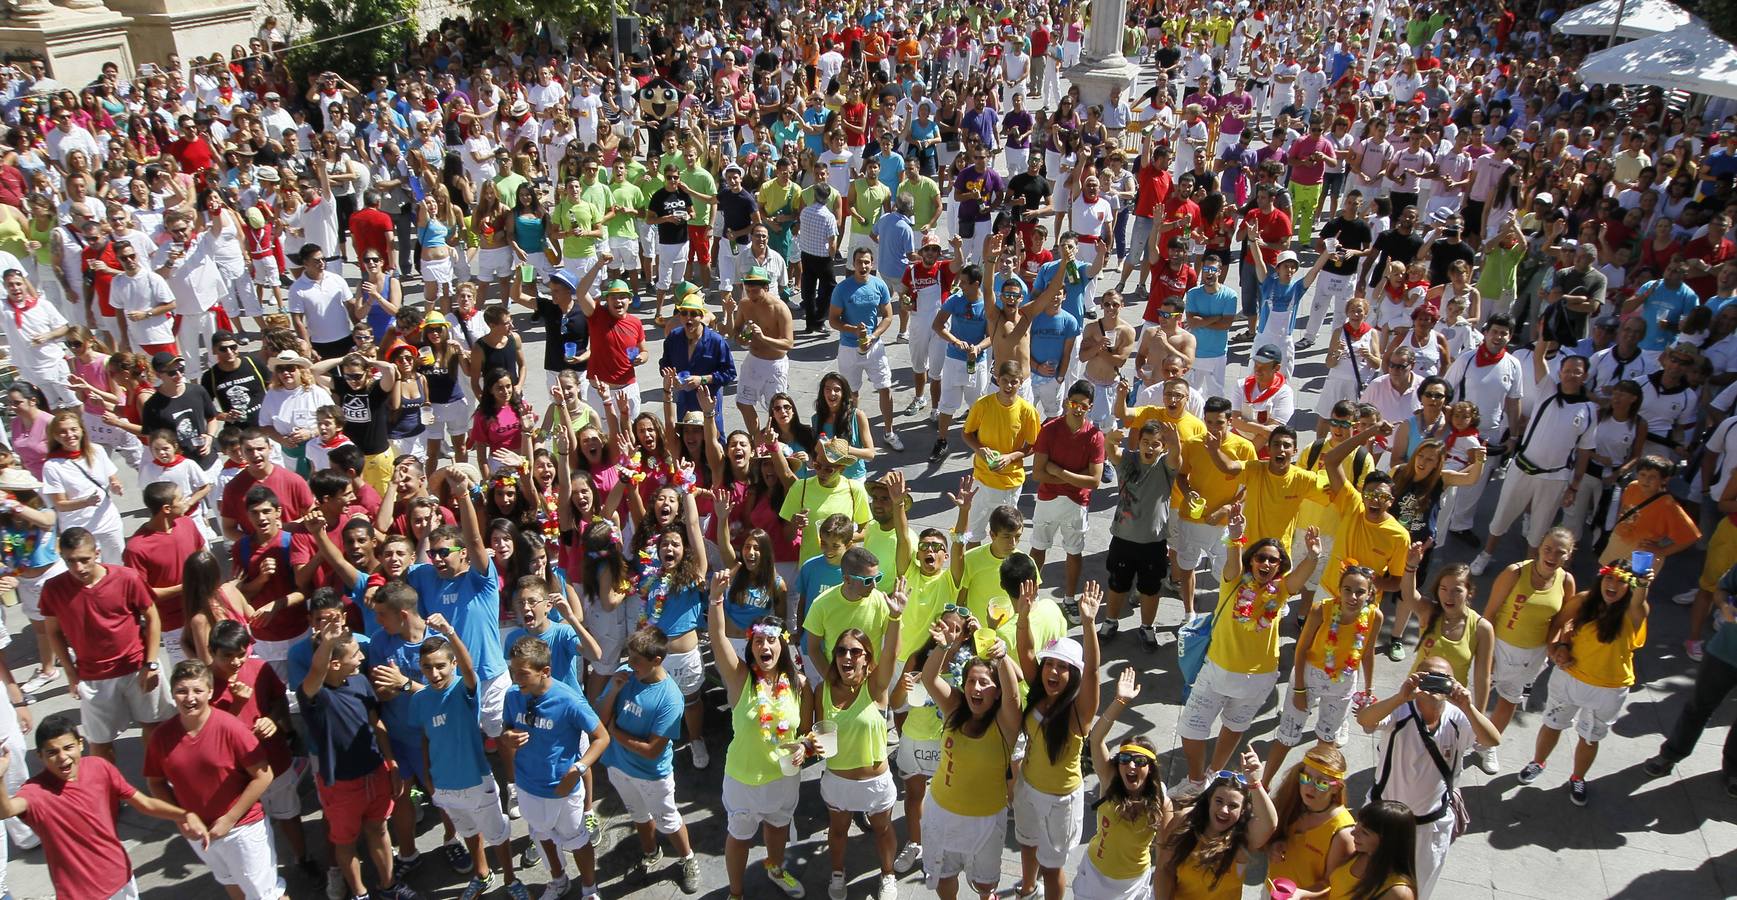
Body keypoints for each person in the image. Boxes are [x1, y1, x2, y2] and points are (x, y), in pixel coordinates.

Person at [1174, 510, 1320, 801]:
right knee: (1190, 727)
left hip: (1258, 679)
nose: (1265, 563)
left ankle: (1213, 774)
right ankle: (1194, 779)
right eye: (1260, 558)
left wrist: (1313, 555)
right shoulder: (1233, 580)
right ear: (1251, 560)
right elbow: (1232, 559)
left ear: (1280, 567)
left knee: (1234, 727)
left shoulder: (1279, 591)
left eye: (1273, 560)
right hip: (1216, 670)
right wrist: (1237, 533)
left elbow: (1299, 579)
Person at [0, 713, 209, 900]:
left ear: (80, 744)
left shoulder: (99, 767)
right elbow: (6, 811)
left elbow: (143, 803)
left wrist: (184, 814)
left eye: (68, 747)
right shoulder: (35, 792)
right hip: (80, 894)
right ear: (40, 756)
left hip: (122, 876)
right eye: (52, 752)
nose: (62, 757)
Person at [297, 619, 423, 900]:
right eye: (354, 655)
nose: (362, 658)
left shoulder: (360, 681)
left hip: (375, 774)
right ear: (333, 664)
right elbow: (316, 671)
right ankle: (360, 893)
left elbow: (376, 723)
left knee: (378, 830)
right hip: (341, 785)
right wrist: (328, 642)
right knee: (346, 842)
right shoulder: (315, 696)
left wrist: (390, 763)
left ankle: (389, 887)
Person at [1356, 656, 1500, 900]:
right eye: (1427, 677)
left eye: (1442, 679)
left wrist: (1469, 706)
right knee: (1365, 882)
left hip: (1429, 829)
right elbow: (1365, 719)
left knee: (1416, 890)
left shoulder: (1458, 718)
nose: (1434, 685)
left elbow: (1491, 740)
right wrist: (1401, 695)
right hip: (1383, 824)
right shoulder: (1400, 710)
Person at [143, 660, 283, 900]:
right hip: (200, 834)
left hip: (242, 830)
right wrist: (180, 818)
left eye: (197, 690)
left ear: (210, 692)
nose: (190, 698)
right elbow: (155, 781)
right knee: (231, 884)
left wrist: (229, 819)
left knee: (267, 895)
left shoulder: (231, 728)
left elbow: (263, 775)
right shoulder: (162, 737)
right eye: (182, 691)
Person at [1516, 561, 1652, 806]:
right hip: (1568, 678)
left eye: (1622, 581)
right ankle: (1537, 762)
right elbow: (1558, 625)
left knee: (1590, 737)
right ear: (1601, 579)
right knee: (1552, 724)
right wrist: (1558, 648)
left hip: (1609, 689)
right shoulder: (1583, 601)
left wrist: (1642, 585)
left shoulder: (1633, 612)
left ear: (1630, 587)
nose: (1613, 585)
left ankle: (1578, 778)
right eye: (1610, 578)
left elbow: (1639, 604)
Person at [41, 527, 174, 764]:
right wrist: (71, 674)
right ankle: (110, 794)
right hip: (93, 677)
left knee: (155, 728)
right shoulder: (53, 589)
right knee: (100, 744)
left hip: (137, 668)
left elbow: (152, 617)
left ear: (97, 553)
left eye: (84, 560)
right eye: (70, 561)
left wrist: (151, 663)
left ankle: (162, 780)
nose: (78, 568)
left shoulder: (127, 578)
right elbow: (53, 632)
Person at [411, 613, 520, 900]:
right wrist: (429, 780)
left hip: (477, 781)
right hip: (444, 786)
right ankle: (482, 875)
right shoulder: (419, 700)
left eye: (440, 666)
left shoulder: (464, 690)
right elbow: (424, 739)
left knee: (497, 835)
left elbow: (471, 670)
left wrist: (450, 632)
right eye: (426, 667)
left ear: (453, 665)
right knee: (469, 833)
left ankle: (510, 878)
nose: (434, 674)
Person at [917, 612, 1023, 900]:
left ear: (997, 693)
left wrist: (1002, 660)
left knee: (985, 887)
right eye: (971, 682)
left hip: (986, 822)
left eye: (984, 684)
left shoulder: (1006, 724)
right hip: (942, 812)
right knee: (944, 875)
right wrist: (942, 647)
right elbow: (928, 678)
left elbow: (1014, 698)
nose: (976, 688)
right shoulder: (953, 707)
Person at [502, 633, 611, 900]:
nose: (516, 679)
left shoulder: (569, 701)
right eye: (512, 671)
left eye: (523, 673)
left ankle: (589, 888)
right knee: (542, 834)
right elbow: (506, 730)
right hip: (528, 786)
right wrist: (507, 737)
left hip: (563, 789)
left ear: (545, 671)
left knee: (577, 839)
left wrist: (579, 768)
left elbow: (602, 737)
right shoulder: (513, 696)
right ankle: (558, 880)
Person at [1012, 583, 1102, 900]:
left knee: (1051, 868)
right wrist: (1022, 617)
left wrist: (1089, 623)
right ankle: (1026, 887)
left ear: (1073, 677)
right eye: (1050, 663)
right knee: (1025, 842)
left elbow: (1092, 671)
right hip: (1027, 787)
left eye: (1063, 668)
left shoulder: (1080, 714)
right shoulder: (1038, 691)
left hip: (1060, 803)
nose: (1054, 670)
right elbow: (1025, 653)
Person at [597, 627, 700, 893]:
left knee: (668, 820)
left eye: (636, 661)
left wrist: (614, 733)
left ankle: (687, 859)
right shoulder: (625, 675)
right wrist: (613, 691)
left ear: (657, 660)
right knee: (638, 814)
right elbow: (601, 715)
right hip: (619, 767)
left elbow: (652, 750)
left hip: (652, 775)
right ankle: (651, 852)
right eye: (629, 658)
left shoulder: (670, 699)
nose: (630, 665)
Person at [1074, 668, 1171, 898]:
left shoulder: (1160, 799)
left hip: (1132, 883)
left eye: (1140, 761)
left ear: (1150, 769)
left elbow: (1166, 849)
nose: (1131, 766)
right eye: (1125, 759)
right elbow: (1095, 738)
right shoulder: (1110, 780)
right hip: (1095, 874)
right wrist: (1119, 701)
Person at [1154, 749, 1276, 900]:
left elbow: (1269, 824)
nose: (1224, 810)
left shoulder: (1242, 838)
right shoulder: (1184, 820)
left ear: (1243, 809)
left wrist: (1254, 783)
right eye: (1219, 801)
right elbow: (1164, 869)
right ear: (1209, 800)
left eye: (1233, 806)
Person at [1028, 380, 1104, 613]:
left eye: (1083, 404)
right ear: (1067, 402)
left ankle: (1069, 599)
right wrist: (1076, 477)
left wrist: (1059, 472)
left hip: (1077, 504)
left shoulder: (1095, 436)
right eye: (1074, 403)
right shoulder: (1049, 429)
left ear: (1090, 407)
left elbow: (1095, 481)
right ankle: (1030, 596)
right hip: (1048, 500)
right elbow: (1038, 473)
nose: (1077, 408)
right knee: (1038, 548)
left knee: (1074, 551)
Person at [830, 246, 903, 450]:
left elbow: (888, 316)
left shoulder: (879, 286)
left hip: (874, 348)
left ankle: (889, 432)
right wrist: (854, 330)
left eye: (867, 262)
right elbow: (833, 320)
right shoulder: (842, 289)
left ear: (872, 264)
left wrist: (873, 335)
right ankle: (853, 432)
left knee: (885, 388)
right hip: (848, 349)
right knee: (851, 394)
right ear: (853, 264)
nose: (863, 266)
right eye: (859, 262)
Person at [1264, 746, 1355, 895]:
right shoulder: (1294, 803)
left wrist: (1299, 894)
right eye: (1306, 778)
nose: (1310, 788)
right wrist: (1276, 845)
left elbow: (1333, 883)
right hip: (1275, 890)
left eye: (1322, 783)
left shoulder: (1342, 833)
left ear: (1336, 788)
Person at [1296, 801, 1418, 900]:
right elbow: (1330, 886)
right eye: (1357, 825)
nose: (1353, 833)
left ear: (1389, 842)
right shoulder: (1359, 853)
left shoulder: (1398, 893)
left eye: (1365, 833)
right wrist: (1300, 893)